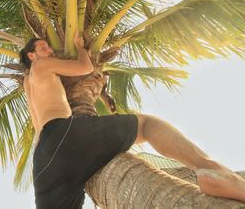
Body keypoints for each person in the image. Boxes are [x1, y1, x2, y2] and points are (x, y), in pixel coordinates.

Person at [20, 31, 245, 208]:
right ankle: (206, 168)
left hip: (43, 159)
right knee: (146, 125)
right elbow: (85, 67)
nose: (49, 49)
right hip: (63, 132)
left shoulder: (26, 83)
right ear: (31, 56)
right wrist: (80, 48)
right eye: (43, 47)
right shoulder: (40, 65)